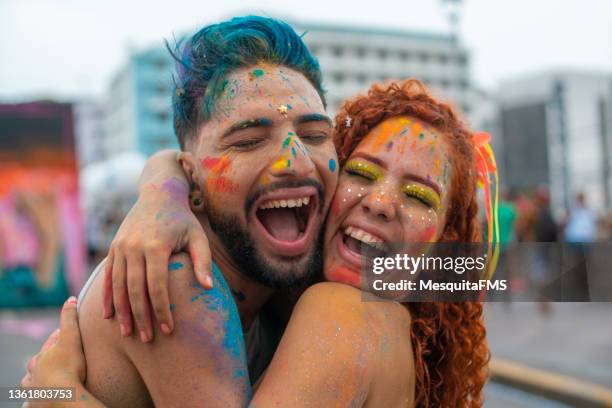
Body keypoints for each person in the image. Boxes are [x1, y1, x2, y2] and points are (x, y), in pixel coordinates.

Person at [25, 76, 490, 406]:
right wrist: (159, 191)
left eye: (417, 196)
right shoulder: (380, 329)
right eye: (362, 173)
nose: (382, 202)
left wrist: (62, 398)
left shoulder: (342, 312)